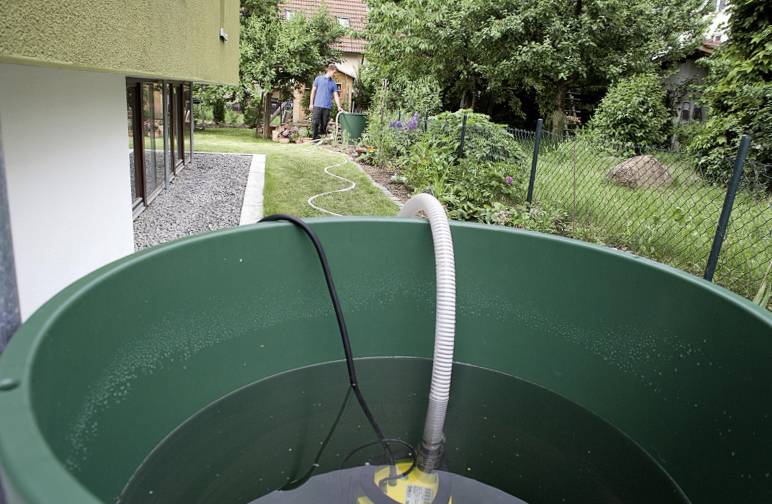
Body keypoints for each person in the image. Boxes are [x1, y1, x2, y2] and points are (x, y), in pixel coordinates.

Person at [309, 63, 343, 140]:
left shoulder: (333, 83)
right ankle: (314, 140)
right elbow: (313, 91)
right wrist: (311, 104)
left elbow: (336, 95)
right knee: (315, 123)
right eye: (334, 73)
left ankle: (321, 139)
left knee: (324, 124)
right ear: (330, 70)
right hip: (317, 105)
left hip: (327, 107)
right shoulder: (318, 79)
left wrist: (339, 106)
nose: (334, 75)